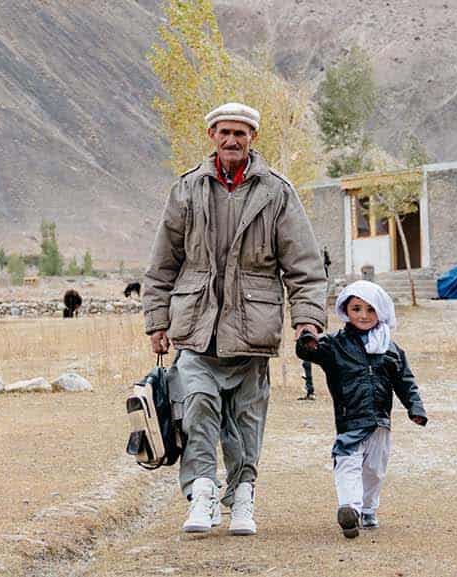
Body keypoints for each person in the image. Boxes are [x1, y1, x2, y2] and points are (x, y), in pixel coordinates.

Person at [144, 101, 329, 537]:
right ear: (212, 136)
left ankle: (242, 495)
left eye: (240, 134)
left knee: (246, 419)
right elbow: (161, 264)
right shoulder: (186, 190)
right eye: (224, 132)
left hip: (252, 331)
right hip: (197, 328)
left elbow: (304, 265)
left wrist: (307, 321)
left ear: (253, 139)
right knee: (198, 408)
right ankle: (202, 493)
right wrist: (156, 320)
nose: (231, 140)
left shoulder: (277, 192)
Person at [294, 280, 427, 539]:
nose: (363, 315)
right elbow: (310, 352)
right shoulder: (335, 345)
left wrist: (415, 407)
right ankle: (349, 509)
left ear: (382, 311)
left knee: (374, 470)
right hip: (350, 419)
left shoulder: (391, 349)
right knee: (347, 460)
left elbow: (405, 382)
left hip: (379, 421)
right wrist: (307, 339)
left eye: (370, 309)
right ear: (346, 310)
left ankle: (367, 508)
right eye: (356, 309)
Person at [299, 243, 334, 401]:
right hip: (311, 318)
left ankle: (313, 389)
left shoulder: (317, 279)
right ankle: (310, 389)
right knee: (307, 356)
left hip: (316, 318)